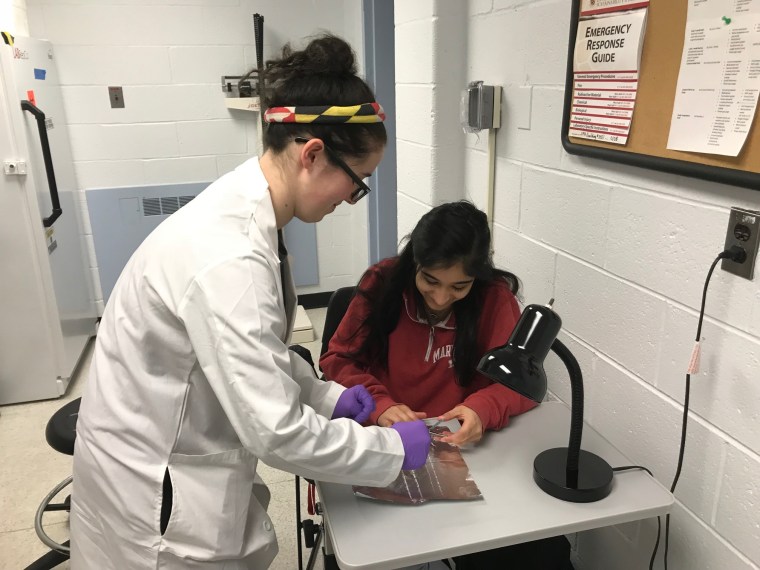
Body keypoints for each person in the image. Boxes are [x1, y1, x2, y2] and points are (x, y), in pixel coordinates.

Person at [69, 34, 430, 570]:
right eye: (358, 184)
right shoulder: (230, 257)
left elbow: (249, 350)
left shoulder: (246, 213)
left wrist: (327, 398)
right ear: (312, 154)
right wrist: (394, 453)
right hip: (153, 500)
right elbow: (277, 434)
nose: (351, 201)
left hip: (165, 448)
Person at [320, 200, 573, 569]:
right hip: (388, 442)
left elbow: (520, 384)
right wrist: (381, 404)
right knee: (373, 550)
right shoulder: (382, 283)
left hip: (468, 452)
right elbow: (336, 360)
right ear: (414, 264)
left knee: (540, 552)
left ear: (478, 278)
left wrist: (481, 410)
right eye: (430, 280)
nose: (440, 298)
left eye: (459, 286)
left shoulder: (494, 298)